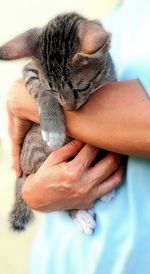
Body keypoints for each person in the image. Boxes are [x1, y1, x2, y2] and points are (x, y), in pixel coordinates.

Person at [7, 0, 150, 273]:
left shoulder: (97, 41)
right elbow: (32, 73)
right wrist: (33, 193)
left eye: (78, 91)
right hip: (57, 259)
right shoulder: (115, 16)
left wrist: (23, 100)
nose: (70, 105)